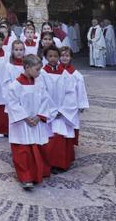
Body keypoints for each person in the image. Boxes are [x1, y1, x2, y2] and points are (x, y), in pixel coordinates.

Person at [6, 53, 52, 190]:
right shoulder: (15, 85)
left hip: (36, 121)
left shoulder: (39, 83)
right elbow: (13, 104)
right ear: (26, 67)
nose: (39, 72)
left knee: (38, 149)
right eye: (37, 69)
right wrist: (26, 117)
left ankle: (39, 172)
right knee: (23, 152)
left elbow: (45, 100)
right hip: (22, 124)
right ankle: (26, 177)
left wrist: (39, 116)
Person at [39, 45, 77, 173]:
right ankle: (51, 163)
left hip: (62, 112)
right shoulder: (42, 74)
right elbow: (42, 93)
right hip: (50, 112)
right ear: (45, 57)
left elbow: (71, 93)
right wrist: (53, 111)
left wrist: (63, 110)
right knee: (52, 138)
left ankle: (62, 163)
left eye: (56, 56)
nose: (53, 58)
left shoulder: (65, 74)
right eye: (50, 56)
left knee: (62, 137)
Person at [60, 46, 88, 146]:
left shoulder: (76, 75)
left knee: (71, 123)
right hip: (60, 104)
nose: (64, 58)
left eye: (67, 56)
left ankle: (70, 143)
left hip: (72, 105)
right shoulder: (55, 73)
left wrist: (81, 105)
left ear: (71, 57)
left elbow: (81, 91)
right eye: (62, 55)